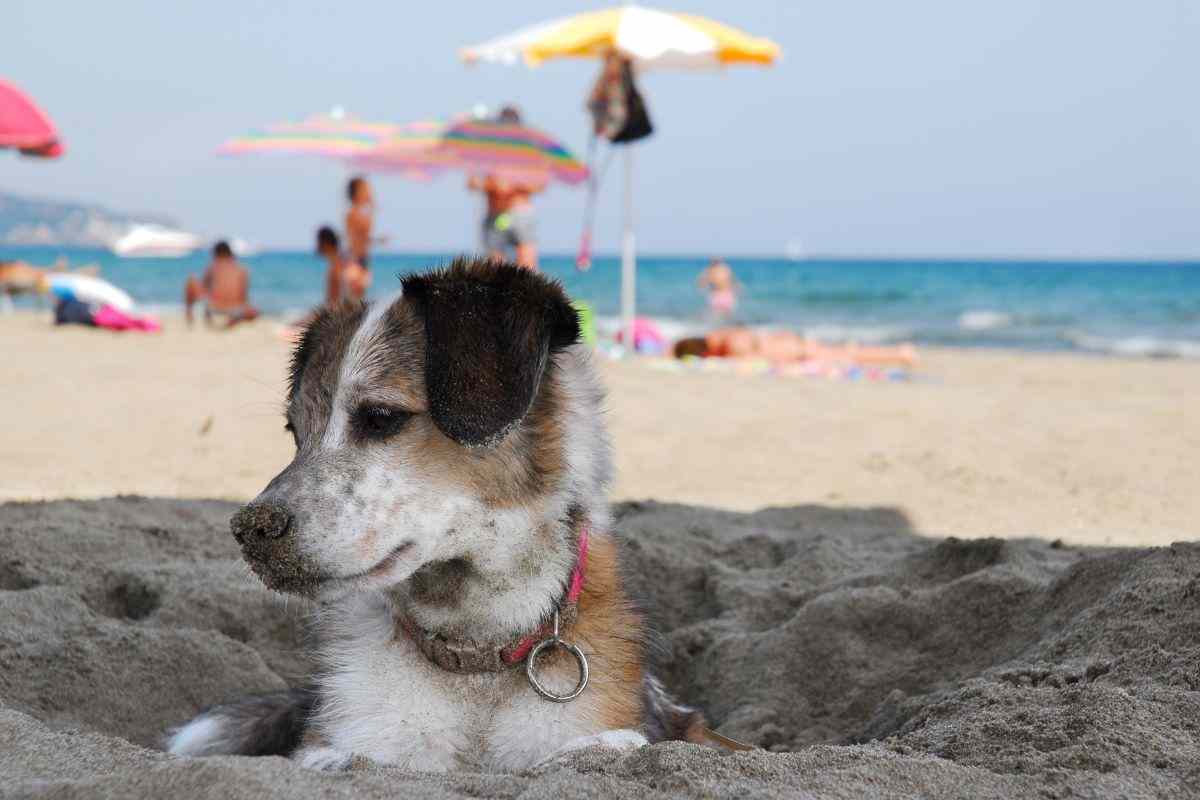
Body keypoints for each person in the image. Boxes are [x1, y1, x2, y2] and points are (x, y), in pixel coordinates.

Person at [467, 105, 544, 270]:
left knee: (527, 270)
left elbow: (540, 185)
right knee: (495, 272)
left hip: (520, 213)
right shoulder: (487, 150)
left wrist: (515, 185)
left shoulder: (529, 151)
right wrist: (492, 186)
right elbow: (472, 183)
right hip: (494, 215)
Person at [673, 327, 917, 368]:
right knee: (846, 352)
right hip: (789, 342)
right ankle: (899, 352)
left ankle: (901, 353)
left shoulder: (729, 345)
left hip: (793, 351)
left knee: (849, 355)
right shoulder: (724, 334)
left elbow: (754, 354)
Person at [184, 241, 259, 328]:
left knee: (191, 281)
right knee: (252, 311)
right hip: (236, 308)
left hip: (216, 306)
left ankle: (189, 318)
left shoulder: (214, 266)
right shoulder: (242, 269)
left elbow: (205, 287)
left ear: (216, 253)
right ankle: (234, 319)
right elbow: (244, 297)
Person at [316, 226, 371, 307]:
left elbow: (332, 302)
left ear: (325, 243)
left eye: (318, 242)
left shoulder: (336, 266)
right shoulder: (345, 261)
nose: (316, 246)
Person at [344, 175, 380, 268]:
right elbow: (357, 240)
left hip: (361, 259)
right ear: (357, 193)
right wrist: (372, 208)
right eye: (365, 190)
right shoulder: (353, 214)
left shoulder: (359, 214)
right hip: (356, 260)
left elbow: (363, 238)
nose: (368, 193)